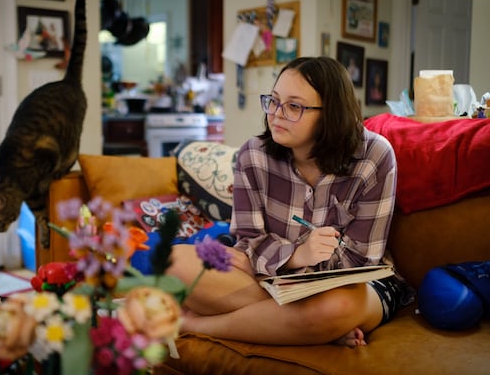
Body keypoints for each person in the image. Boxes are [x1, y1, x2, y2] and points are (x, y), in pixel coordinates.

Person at [167, 56, 412, 347]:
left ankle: (197, 324)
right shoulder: (253, 156)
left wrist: (276, 262)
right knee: (175, 262)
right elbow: (248, 242)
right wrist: (298, 256)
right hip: (271, 282)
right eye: (273, 100)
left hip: (353, 286)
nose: (276, 114)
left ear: (330, 114)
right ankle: (311, 328)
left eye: (294, 106)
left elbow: (361, 262)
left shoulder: (374, 157)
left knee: (338, 307)